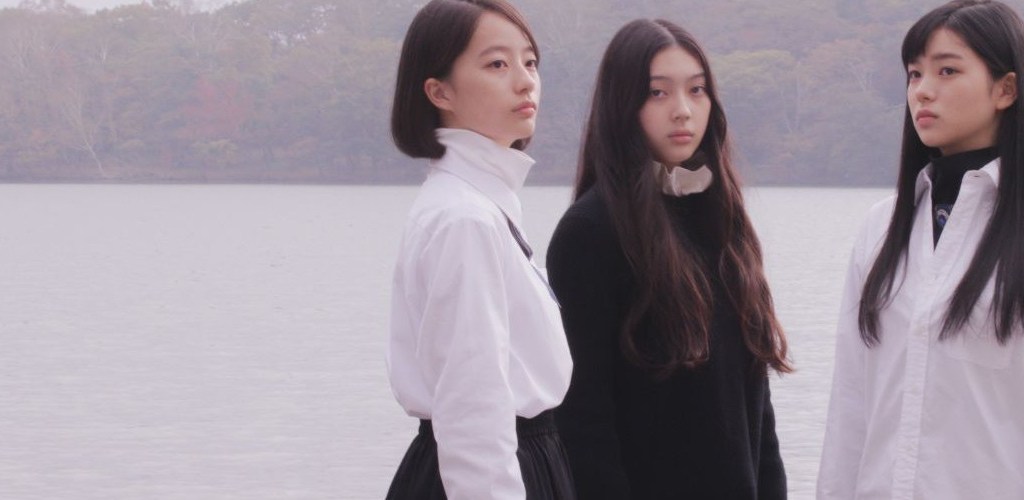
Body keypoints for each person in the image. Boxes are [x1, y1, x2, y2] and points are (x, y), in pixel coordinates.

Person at [545, 18, 792, 499]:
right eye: (658, 93)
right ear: (622, 105)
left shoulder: (724, 220)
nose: (683, 111)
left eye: (697, 91)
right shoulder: (589, 232)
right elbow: (582, 422)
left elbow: (756, 408)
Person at [817, 1, 1024, 498]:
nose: (923, 90)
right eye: (913, 75)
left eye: (947, 70)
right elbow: (851, 407)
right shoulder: (881, 229)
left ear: (1006, 89)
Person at [384, 1, 574, 498]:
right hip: (488, 469)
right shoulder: (464, 219)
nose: (524, 81)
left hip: (522, 456)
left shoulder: (483, 204)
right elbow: (471, 411)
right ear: (438, 91)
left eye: (530, 62)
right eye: (497, 64)